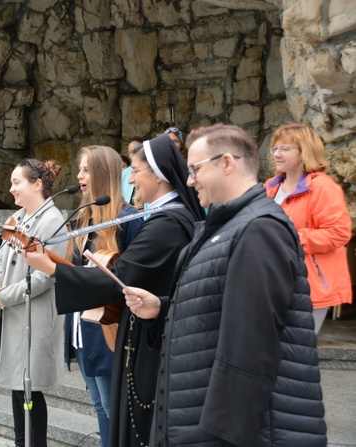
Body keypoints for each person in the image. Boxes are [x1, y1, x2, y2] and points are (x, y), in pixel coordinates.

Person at [124, 123, 327, 446]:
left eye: (195, 170)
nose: (189, 180)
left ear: (227, 163)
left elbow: (249, 347)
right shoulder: (224, 226)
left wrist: (223, 437)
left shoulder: (259, 230)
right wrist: (163, 309)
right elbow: (219, 311)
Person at [24, 135, 204, 447]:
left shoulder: (166, 224)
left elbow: (117, 278)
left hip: (147, 337)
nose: (131, 179)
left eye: (136, 170)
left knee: (125, 415)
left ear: (159, 174)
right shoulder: (165, 218)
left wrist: (52, 268)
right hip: (138, 329)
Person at [0, 158, 67, 447]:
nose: (11, 189)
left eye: (16, 182)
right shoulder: (17, 217)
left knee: (30, 391)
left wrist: (2, 297)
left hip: (34, 316)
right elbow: (0, 258)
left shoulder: (53, 220)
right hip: (13, 314)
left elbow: (46, 277)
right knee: (18, 390)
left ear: (37, 184)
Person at [66, 145, 142, 447]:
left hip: (108, 330)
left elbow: (134, 276)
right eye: (80, 169)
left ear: (103, 174)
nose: (80, 176)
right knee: (99, 405)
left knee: (114, 409)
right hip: (81, 329)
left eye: (86, 169)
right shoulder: (83, 218)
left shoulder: (127, 219)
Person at [264, 123, 352, 333]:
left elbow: (338, 233)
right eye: (275, 148)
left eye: (285, 149)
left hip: (312, 285)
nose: (277, 154)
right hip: (275, 280)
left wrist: (292, 238)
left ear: (305, 152)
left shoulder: (323, 187)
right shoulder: (270, 186)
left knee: (300, 354)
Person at [121, 140, 141, 205]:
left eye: (137, 150)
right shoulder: (123, 174)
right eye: (131, 152)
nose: (134, 154)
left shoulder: (151, 171)